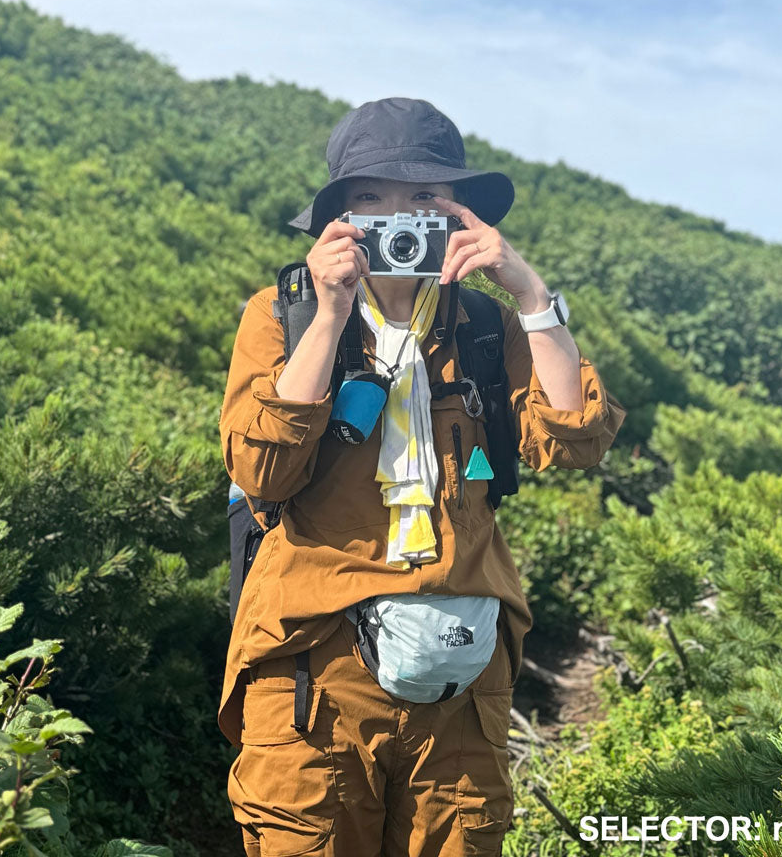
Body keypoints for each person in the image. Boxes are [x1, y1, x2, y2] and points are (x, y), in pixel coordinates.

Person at [218, 97, 627, 857]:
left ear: (457, 216)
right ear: (337, 217)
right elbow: (261, 469)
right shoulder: (281, 317)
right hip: (316, 662)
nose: (394, 220)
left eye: (420, 200)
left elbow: (574, 442)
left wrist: (533, 299)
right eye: (370, 199)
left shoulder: (484, 327)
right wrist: (330, 315)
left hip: (463, 673)